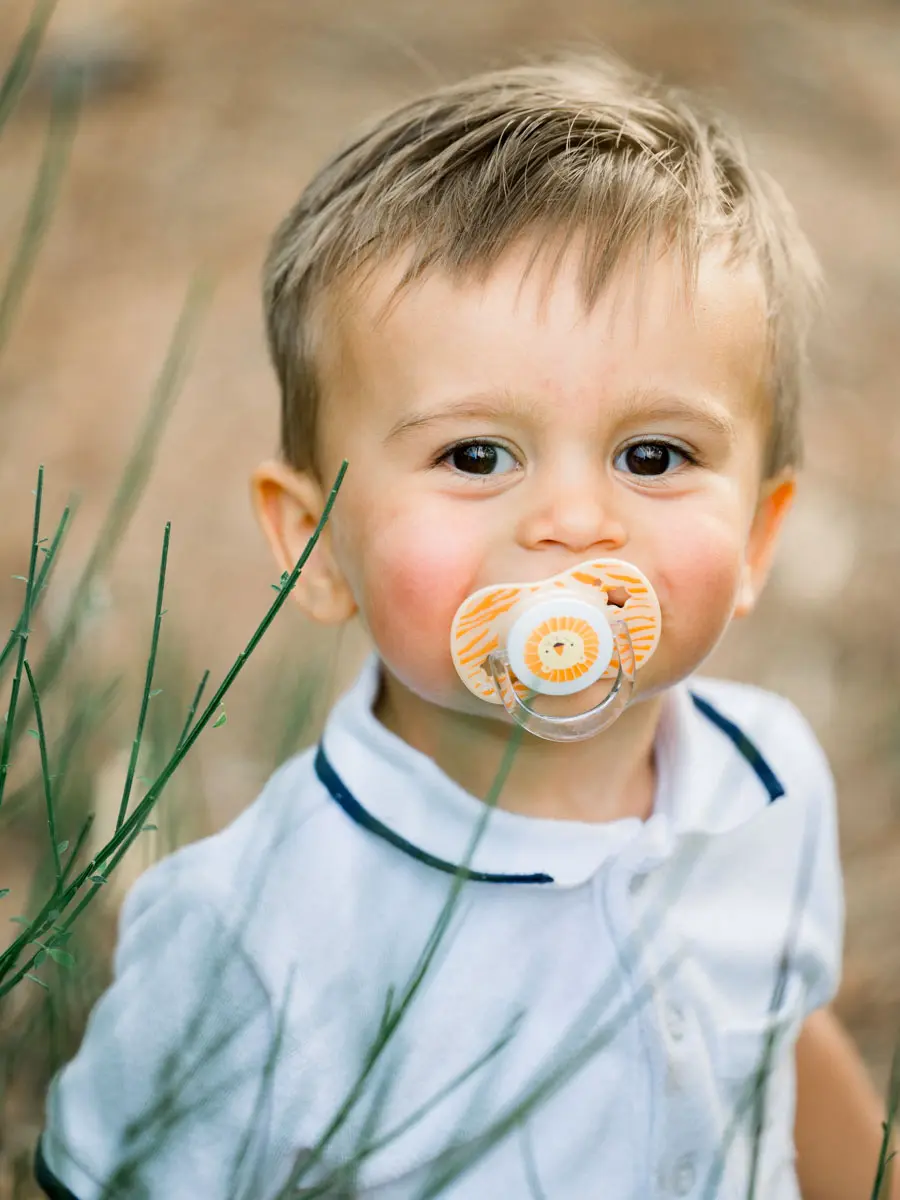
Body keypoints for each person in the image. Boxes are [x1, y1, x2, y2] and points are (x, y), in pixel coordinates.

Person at [36, 51, 896, 1199]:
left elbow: (781, 1039)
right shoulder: (251, 941)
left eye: (654, 455)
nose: (576, 521)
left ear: (755, 539)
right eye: (474, 455)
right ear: (317, 539)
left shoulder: (769, 777)